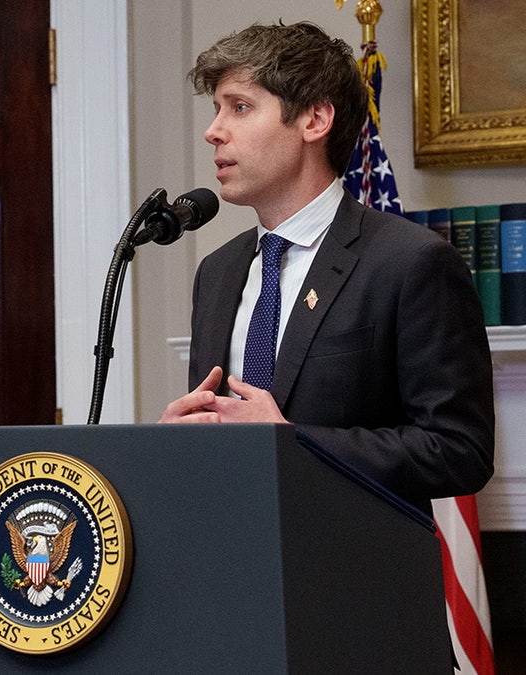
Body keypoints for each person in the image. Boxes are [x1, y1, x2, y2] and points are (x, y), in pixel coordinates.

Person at [158, 22, 495, 513]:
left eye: (241, 107)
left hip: (352, 576)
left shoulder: (410, 262)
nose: (214, 131)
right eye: (217, 110)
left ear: (314, 120)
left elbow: (460, 450)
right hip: (235, 563)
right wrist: (177, 439)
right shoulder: (217, 272)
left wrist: (294, 443)